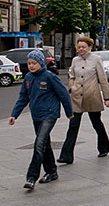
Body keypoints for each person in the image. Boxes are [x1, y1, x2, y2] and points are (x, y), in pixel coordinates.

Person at [9, 49, 74, 190]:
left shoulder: (49, 77)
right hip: (36, 115)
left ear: (40, 63)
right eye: (29, 63)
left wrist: (69, 112)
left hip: (49, 115)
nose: (31, 66)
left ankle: (31, 177)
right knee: (45, 143)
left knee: (39, 144)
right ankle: (51, 171)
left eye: (34, 63)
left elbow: (63, 95)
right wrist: (14, 114)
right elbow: (23, 97)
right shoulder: (28, 78)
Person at [58, 36, 109, 164]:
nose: (81, 49)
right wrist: (71, 88)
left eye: (83, 47)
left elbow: (102, 80)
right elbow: (71, 76)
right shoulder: (75, 60)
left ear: (89, 47)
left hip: (91, 96)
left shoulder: (96, 59)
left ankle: (104, 147)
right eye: (79, 47)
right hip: (76, 98)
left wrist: (107, 97)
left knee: (97, 123)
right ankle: (66, 156)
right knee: (73, 125)